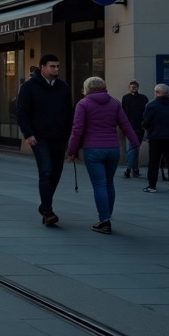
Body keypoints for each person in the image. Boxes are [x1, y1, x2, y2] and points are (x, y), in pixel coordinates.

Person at [66, 76, 139, 235]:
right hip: (113, 149)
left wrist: (71, 151)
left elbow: (77, 130)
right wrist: (135, 142)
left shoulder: (83, 104)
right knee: (108, 183)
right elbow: (125, 124)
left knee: (99, 185)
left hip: (93, 149)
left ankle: (104, 221)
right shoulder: (114, 103)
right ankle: (108, 217)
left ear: (87, 88)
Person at [16, 54, 73, 226]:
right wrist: (29, 134)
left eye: (57, 66)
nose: (56, 69)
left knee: (56, 173)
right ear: (42, 67)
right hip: (39, 137)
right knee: (46, 171)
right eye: (52, 66)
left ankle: (44, 205)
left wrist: (70, 136)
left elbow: (68, 113)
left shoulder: (62, 87)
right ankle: (48, 212)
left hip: (59, 137)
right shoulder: (29, 87)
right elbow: (21, 112)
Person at [141, 83, 169, 193]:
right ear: (168, 93)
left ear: (156, 92)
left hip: (156, 138)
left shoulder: (152, 105)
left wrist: (148, 128)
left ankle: (152, 186)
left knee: (154, 162)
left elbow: (145, 123)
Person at [120, 80, 147, 178]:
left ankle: (134, 169)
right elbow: (123, 113)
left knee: (135, 149)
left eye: (135, 86)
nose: (133, 88)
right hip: (130, 128)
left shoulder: (143, 98)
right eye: (132, 86)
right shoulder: (126, 98)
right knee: (132, 149)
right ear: (129, 88)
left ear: (138, 87)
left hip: (139, 128)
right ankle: (130, 169)